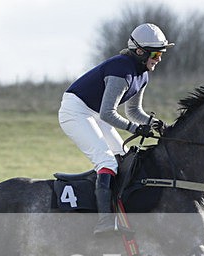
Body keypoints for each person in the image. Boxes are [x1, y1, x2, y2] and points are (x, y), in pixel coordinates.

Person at [59, 23, 174, 235]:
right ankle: (105, 223)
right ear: (140, 52)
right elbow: (108, 114)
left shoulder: (143, 75)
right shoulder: (121, 70)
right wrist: (135, 129)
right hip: (75, 112)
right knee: (107, 161)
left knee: (124, 157)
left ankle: (123, 212)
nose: (159, 59)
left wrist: (152, 123)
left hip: (93, 113)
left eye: (161, 54)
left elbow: (133, 111)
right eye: (156, 54)